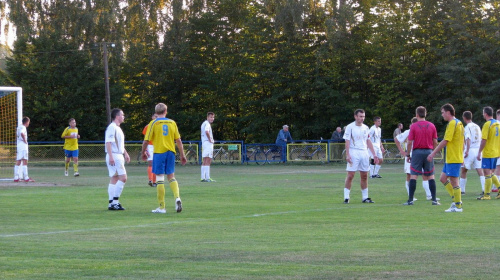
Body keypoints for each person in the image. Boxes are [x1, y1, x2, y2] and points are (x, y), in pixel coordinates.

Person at [142, 103, 187, 214]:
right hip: (171, 152)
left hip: (159, 152)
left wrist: (143, 152)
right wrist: (182, 155)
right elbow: (179, 141)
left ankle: (162, 207)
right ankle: (177, 197)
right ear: (166, 111)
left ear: (156, 113)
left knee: (159, 178)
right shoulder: (172, 123)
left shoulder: (153, 123)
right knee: (171, 177)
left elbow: (146, 140)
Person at [428, 104, 464, 212]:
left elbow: (445, 140)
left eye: (443, 112)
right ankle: (455, 200)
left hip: (453, 157)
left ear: (448, 112)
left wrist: (433, 153)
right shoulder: (459, 123)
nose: (442, 115)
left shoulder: (453, 123)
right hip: (452, 157)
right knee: (443, 178)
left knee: (454, 181)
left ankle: (458, 206)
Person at [404, 106, 439, 206]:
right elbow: (435, 141)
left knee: (414, 176)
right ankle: (434, 200)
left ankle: (410, 200)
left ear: (417, 115)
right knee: (431, 175)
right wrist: (433, 152)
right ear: (425, 114)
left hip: (417, 152)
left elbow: (410, 142)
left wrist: (408, 154)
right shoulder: (432, 125)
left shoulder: (414, 126)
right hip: (428, 151)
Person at [342, 109, 379, 204]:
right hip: (354, 152)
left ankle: (365, 197)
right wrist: (348, 154)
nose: (362, 118)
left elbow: (368, 141)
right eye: (360, 116)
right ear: (355, 116)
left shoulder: (366, 128)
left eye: (363, 116)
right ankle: (346, 197)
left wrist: (374, 154)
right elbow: (347, 141)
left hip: (364, 153)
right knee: (350, 175)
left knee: (364, 175)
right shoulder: (350, 127)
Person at [394, 117, 435, 201]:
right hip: (411, 156)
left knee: (425, 175)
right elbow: (396, 139)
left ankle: (429, 195)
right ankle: (411, 196)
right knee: (410, 175)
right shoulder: (408, 132)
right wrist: (402, 151)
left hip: (419, 155)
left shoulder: (422, 130)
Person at [105, 108, 130, 211]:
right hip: (114, 156)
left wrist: (126, 153)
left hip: (117, 155)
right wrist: (111, 156)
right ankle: (115, 202)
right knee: (123, 178)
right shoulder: (112, 127)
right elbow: (108, 143)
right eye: (122, 115)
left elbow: (118, 144)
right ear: (117, 116)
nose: (123, 117)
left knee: (114, 179)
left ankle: (111, 203)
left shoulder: (117, 128)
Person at [476, 106, 500, 200]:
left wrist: (479, 152)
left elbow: (484, 140)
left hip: (488, 152)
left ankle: (486, 195)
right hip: (495, 152)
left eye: (483, 113)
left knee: (487, 173)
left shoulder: (487, 124)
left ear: (485, 114)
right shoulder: (497, 124)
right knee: (490, 173)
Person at [459, 111, 484, 195]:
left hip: (470, 150)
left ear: (464, 117)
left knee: (464, 170)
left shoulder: (467, 127)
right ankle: (484, 189)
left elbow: (468, 139)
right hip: (478, 149)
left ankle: (462, 190)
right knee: (480, 170)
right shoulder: (477, 126)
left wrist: (467, 150)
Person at [13, 116, 35, 182]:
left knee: (18, 161)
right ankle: (26, 177)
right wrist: (25, 140)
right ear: (27, 122)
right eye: (29, 122)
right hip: (23, 146)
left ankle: (16, 177)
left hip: (19, 146)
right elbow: (22, 133)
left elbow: (18, 134)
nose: (29, 124)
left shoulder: (19, 127)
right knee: (25, 161)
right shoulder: (23, 127)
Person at [142, 113, 158, 187]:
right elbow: (145, 139)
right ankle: (150, 180)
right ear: (152, 117)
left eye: (157, 117)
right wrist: (145, 149)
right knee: (151, 163)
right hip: (150, 146)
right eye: (155, 116)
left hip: (158, 146)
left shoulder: (159, 126)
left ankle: (155, 181)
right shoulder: (148, 126)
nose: (156, 118)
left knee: (156, 164)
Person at [201, 112, 215, 182]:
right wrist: (210, 139)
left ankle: (203, 177)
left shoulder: (203, 123)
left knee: (205, 160)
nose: (212, 118)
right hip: (208, 143)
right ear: (207, 117)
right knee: (208, 160)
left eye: (213, 117)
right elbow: (207, 132)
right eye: (211, 117)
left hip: (204, 143)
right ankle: (207, 177)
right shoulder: (207, 124)